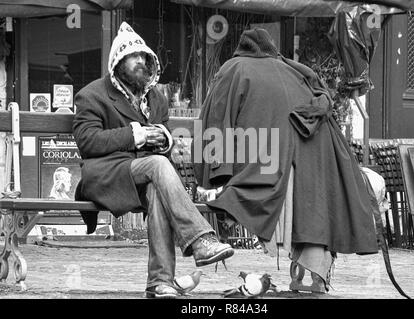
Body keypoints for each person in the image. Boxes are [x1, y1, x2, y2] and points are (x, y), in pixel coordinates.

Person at [193, 28, 378, 290]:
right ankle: (313, 275)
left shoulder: (233, 68)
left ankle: (308, 275)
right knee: (312, 207)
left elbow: (214, 122)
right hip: (317, 163)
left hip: (270, 164)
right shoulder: (296, 71)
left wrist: (211, 174)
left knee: (277, 187)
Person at [72, 22, 234, 299]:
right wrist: (135, 136)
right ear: (118, 62)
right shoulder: (92, 95)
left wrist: (163, 138)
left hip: (147, 175)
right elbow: (88, 142)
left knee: (157, 189)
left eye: (144, 57)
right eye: (133, 56)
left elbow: (166, 135)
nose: (140, 61)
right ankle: (201, 240)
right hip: (108, 174)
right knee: (159, 166)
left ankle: (159, 283)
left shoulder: (155, 97)